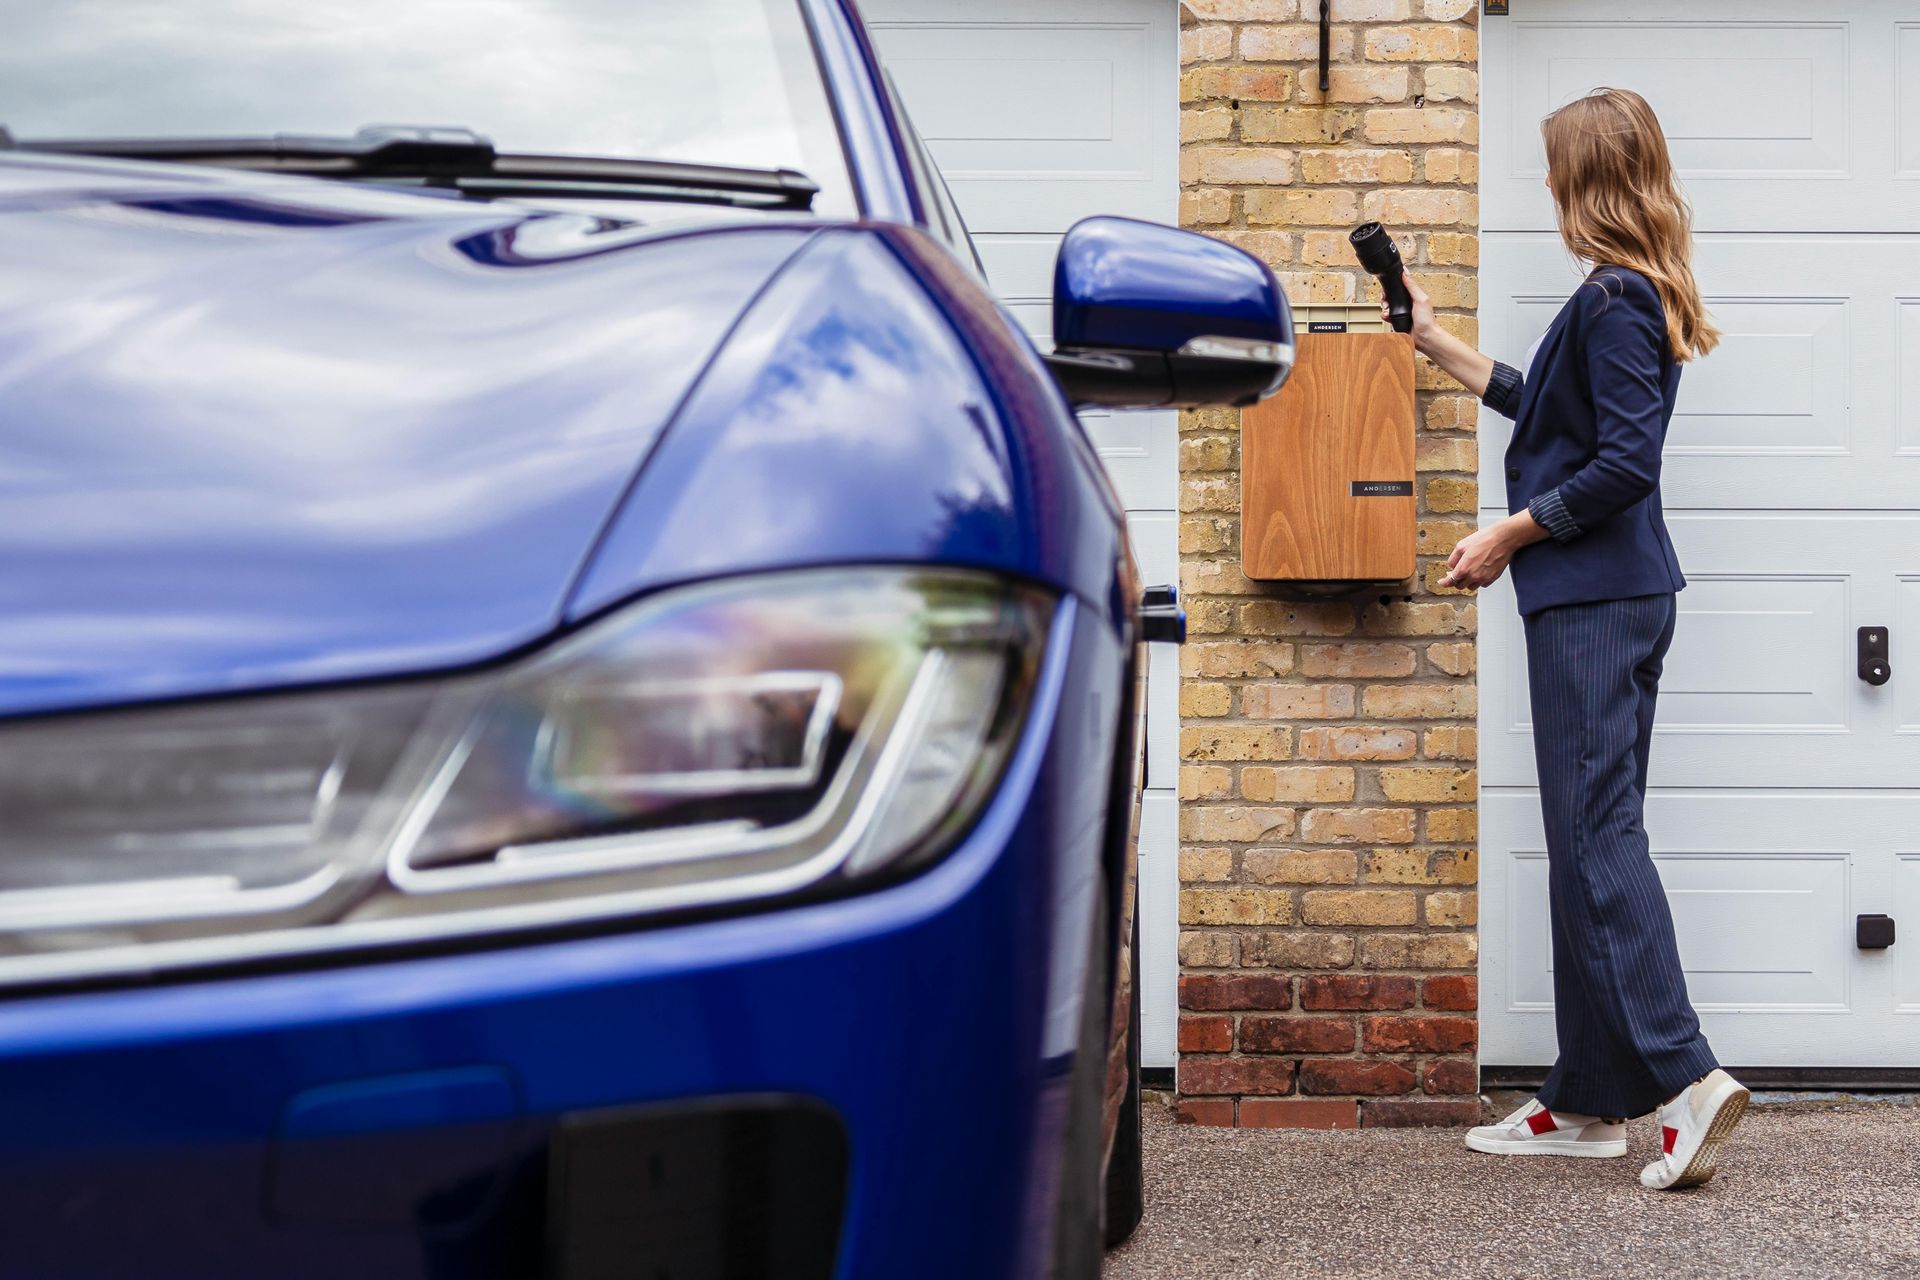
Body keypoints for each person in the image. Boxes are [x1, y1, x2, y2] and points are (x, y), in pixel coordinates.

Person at [1389, 87, 1746, 1190]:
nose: (1542, 185)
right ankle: (1588, 1097)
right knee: (1589, 833)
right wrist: (1436, 341)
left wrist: (1508, 532)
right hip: (1609, 596)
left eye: (1552, 169)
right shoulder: (1620, 297)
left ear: (1582, 181)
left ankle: (1687, 1078)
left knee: (1596, 838)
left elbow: (1626, 462)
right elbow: (1548, 410)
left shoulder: (1615, 300)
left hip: (1596, 598)